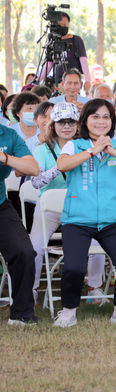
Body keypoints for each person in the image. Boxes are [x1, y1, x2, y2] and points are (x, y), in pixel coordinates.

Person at [53, 99, 116, 327]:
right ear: (85, 120)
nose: (101, 121)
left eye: (106, 117)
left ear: (112, 122)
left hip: (111, 220)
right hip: (77, 219)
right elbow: (63, 165)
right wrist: (93, 151)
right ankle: (68, 311)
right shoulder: (74, 145)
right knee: (74, 268)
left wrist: (112, 151)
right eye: (95, 116)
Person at [29, 102, 106, 304]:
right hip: (49, 209)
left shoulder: (87, 146)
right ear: (53, 125)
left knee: (97, 244)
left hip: (80, 207)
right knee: (34, 248)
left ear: (78, 124)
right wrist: (60, 166)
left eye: (71, 122)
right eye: (61, 122)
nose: (66, 126)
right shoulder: (42, 149)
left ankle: (94, 288)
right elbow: (36, 182)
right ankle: (31, 289)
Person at [0, 114, 40, 325]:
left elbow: (32, 168)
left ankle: (22, 314)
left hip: (0, 206)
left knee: (24, 251)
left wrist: (4, 158)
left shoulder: (8, 135)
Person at [38, 12, 91, 93]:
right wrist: (38, 81)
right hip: (57, 84)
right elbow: (49, 64)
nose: (63, 27)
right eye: (60, 25)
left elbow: (83, 60)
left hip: (72, 83)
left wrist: (88, 80)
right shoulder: (52, 42)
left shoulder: (75, 40)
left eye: (65, 25)